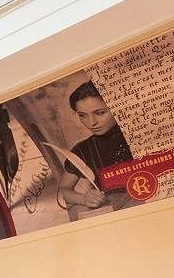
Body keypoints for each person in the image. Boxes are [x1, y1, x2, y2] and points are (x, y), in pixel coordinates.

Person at [56, 81, 132, 214]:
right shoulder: (83, 150)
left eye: (100, 113)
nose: (91, 122)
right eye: (82, 115)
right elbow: (64, 190)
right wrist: (84, 198)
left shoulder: (141, 135)